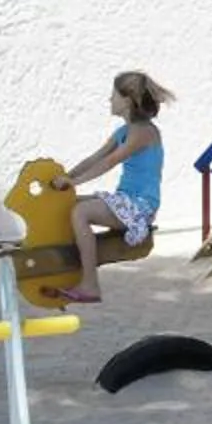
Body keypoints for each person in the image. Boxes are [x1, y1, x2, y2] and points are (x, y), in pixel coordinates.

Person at [55, 70, 174, 304]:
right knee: (68, 204)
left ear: (127, 100)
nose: (109, 100)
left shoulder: (143, 132)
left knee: (81, 212)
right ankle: (68, 270)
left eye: (113, 96)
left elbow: (110, 161)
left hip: (140, 206)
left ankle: (90, 284)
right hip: (126, 201)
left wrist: (74, 183)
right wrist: (66, 177)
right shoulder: (123, 132)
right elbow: (95, 157)